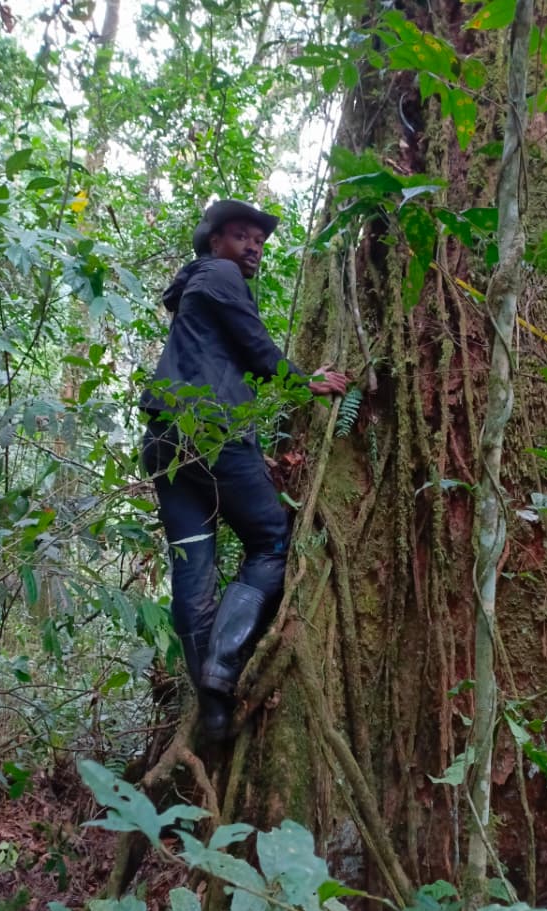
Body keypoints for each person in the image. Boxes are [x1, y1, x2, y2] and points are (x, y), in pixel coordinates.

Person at [141, 199, 346, 741]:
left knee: (193, 569)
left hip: (164, 442)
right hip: (210, 435)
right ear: (215, 243)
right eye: (240, 236)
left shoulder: (197, 289)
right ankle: (219, 673)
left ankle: (211, 714)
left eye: (258, 239)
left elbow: (236, 354)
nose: (252, 246)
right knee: (272, 542)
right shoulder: (219, 273)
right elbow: (257, 350)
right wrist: (307, 382)